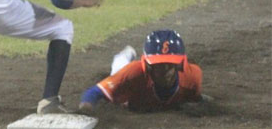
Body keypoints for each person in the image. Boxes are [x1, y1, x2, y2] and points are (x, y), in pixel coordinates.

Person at [78, 30, 211, 113]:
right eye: (159, 64)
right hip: (129, 79)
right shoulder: (134, 74)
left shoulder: (193, 75)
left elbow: (195, 98)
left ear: (180, 64)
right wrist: (86, 109)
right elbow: (95, 92)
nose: (165, 70)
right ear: (148, 65)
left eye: (170, 64)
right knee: (118, 72)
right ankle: (123, 57)